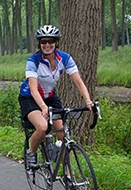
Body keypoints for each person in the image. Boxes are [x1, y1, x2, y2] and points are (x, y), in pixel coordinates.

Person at [19, 25, 94, 168]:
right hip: (29, 97)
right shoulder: (33, 60)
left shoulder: (64, 58)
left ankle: (68, 175)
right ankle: (31, 152)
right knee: (42, 126)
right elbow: (34, 89)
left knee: (63, 135)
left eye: (50, 41)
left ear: (56, 42)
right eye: (43, 42)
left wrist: (88, 100)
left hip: (50, 96)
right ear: (39, 44)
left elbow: (78, 81)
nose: (47, 45)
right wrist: (43, 107)